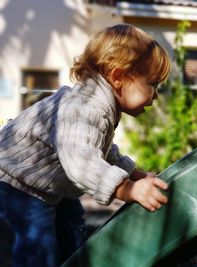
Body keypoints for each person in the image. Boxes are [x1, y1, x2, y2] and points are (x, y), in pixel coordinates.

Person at [0, 24, 170, 267]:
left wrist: (136, 174)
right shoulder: (85, 107)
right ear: (119, 76)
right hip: (16, 185)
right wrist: (127, 189)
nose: (155, 95)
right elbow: (82, 162)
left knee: (73, 231)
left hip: (48, 187)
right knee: (36, 248)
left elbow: (102, 152)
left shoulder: (100, 106)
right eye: (152, 84)